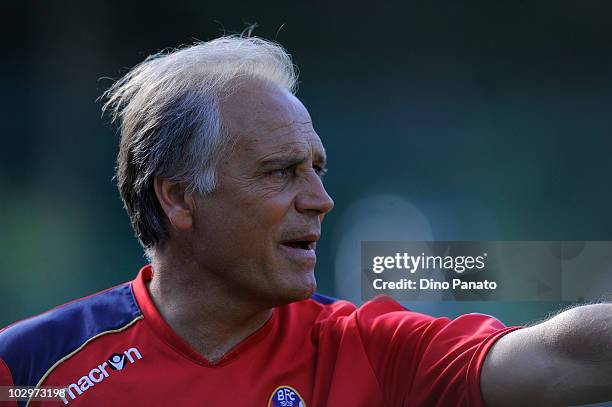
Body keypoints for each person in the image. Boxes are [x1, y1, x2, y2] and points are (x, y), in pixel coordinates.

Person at [0, 35, 611, 407]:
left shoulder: (366, 351)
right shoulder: (32, 370)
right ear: (179, 199)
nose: (320, 199)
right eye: (279, 172)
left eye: (317, 168)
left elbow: (564, 357)